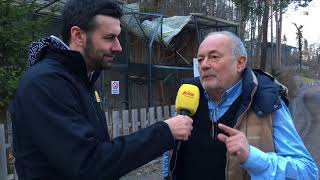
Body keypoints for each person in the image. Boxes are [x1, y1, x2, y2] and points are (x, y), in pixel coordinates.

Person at [9, 0, 194, 179]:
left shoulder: (79, 79)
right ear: (78, 35)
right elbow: (89, 164)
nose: (118, 47)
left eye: (118, 37)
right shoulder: (45, 82)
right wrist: (164, 132)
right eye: (109, 38)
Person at [164, 31, 319, 180]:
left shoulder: (266, 102)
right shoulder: (189, 96)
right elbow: (170, 156)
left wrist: (253, 158)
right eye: (200, 59)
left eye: (214, 57)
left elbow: (308, 172)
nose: (204, 65)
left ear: (240, 63)